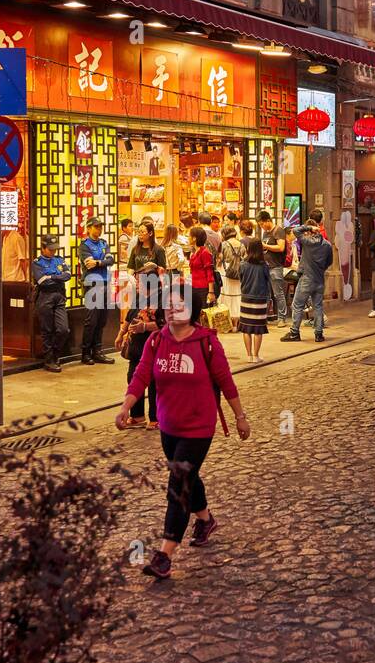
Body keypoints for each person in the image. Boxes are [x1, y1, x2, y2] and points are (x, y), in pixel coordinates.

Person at [116, 286, 249, 580]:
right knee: (189, 476)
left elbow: (226, 382)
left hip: (199, 427)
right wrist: (126, 407)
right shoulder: (155, 341)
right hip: (168, 426)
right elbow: (141, 376)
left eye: (179, 305)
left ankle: (165, 553)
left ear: (193, 310)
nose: (172, 309)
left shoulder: (207, 344)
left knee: (178, 484)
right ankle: (205, 519)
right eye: (169, 305)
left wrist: (240, 417)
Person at [119, 276, 164, 430]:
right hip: (136, 347)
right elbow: (129, 316)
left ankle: (155, 417)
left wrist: (144, 326)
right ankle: (137, 415)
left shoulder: (162, 298)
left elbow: (164, 323)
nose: (137, 284)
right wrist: (121, 334)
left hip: (153, 345)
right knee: (132, 377)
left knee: (153, 381)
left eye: (140, 282)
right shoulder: (138, 297)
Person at [281, 225, 333, 342]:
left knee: (297, 305)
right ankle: (319, 334)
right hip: (319, 279)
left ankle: (294, 332)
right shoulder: (328, 245)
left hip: (306, 278)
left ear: (310, 232)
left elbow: (295, 230)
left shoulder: (307, 242)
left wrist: (309, 227)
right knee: (318, 306)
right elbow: (329, 262)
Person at [77, 217, 116, 365]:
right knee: (91, 320)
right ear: (88, 228)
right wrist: (102, 261)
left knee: (102, 319)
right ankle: (86, 353)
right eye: (96, 227)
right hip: (92, 284)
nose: (99, 229)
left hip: (105, 283)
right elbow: (89, 264)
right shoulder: (84, 245)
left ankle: (98, 351)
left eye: (100, 227)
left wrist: (98, 262)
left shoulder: (104, 243)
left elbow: (110, 260)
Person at [31, 236, 71, 372]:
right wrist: (57, 277)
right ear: (43, 248)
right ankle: (49, 359)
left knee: (63, 329)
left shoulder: (59, 260)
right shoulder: (37, 263)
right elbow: (42, 281)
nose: (53, 252)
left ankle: (55, 353)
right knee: (46, 330)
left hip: (59, 297)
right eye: (50, 249)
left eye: (55, 249)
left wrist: (51, 276)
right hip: (44, 297)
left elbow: (67, 275)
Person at [237, 236, 271, 362]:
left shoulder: (243, 264)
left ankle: (249, 355)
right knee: (258, 329)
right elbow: (268, 281)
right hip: (260, 299)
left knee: (246, 328)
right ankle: (256, 356)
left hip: (246, 298)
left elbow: (241, 279)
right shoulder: (264, 266)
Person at [258, 210, 289, 321]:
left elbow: (281, 247)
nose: (261, 227)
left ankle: (282, 318)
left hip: (276, 267)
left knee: (278, 294)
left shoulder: (278, 230)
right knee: (265, 294)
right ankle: (264, 317)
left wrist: (265, 246)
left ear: (268, 220)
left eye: (262, 224)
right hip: (265, 267)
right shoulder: (265, 232)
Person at [216, 226, 245, 328]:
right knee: (237, 297)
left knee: (227, 297)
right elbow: (245, 259)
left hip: (226, 273)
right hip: (238, 274)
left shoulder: (224, 245)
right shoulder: (241, 244)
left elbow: (219, 259)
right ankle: (236, 324)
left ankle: (228, 324)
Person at [187, 226, 215, 323]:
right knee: (196, 316)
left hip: (203, 289)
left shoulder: (205, 252)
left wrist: (211, 292)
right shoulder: (195, 252)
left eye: (189, 236)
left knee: (203, 317)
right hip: (194, 287)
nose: (188, 238)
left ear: (194, 238)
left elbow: (209, 273)